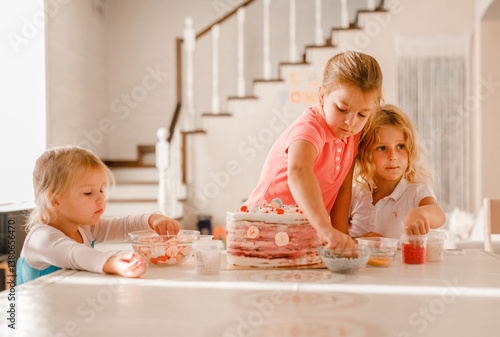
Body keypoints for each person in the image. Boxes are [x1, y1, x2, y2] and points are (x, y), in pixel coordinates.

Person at [245, 51, 383, 249]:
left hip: (297, 237)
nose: (350, 122)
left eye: (362, 114)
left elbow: (343, 188)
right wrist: (325, 229)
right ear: (322, 95)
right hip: (259, 230)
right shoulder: (309, 129)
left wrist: (339, 236)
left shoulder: (351, 134)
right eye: (342, 109)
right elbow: (299, 172)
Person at [17, 146, 180, 285]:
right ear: (55, 201)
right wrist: (112, 263)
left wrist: (152, 219)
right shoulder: (41, 239)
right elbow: (75, 254)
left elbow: (123, 226)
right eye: (88, 193)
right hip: (38, 316)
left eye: (101, 190)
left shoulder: (84, 228)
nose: (101, 198)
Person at [348, 104, 446, 239]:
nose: (393, 156)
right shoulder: (354, 195)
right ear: (364, 154)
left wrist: (421, 214)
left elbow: (439, 215)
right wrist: (360, 243)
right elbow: (334, 241)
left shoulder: (416, 192)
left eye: (400, 146)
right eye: (382, 148)